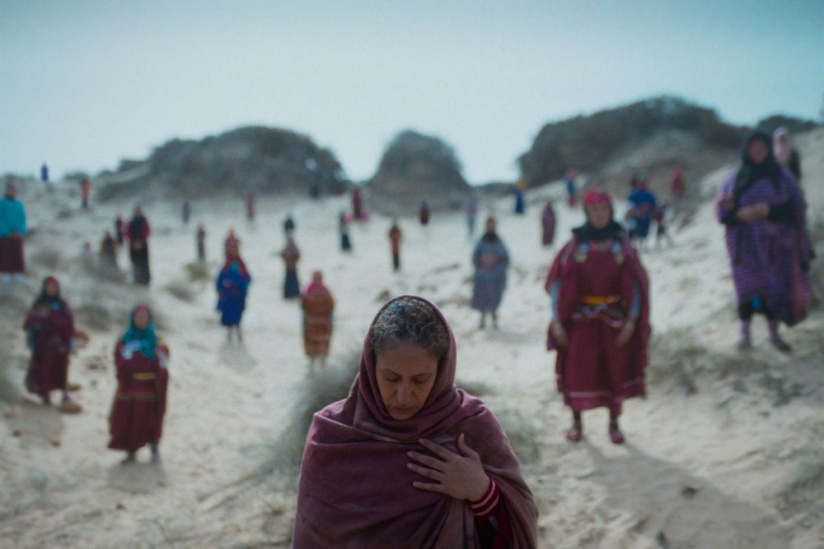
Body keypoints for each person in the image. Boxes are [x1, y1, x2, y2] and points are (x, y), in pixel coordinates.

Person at [292, 296, 538, 548]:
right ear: (370, 365)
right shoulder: (333, 436)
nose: (403, 396)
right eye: (390, 377)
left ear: (443, 371)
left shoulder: (471, 426)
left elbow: (520, 530)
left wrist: (482, 492)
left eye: (420, 380)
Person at [546, 189, 650, 444]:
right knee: (577, 371)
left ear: (611, 211)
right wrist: (557, 321)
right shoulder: (574, 246)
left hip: (615, 321)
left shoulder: (622, 246)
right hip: (580, 322)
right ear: (586, 213)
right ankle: (577, 424)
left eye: (603, 209)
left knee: (613, 370)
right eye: (593, 210)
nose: (598, 214)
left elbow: (637, 286)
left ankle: (614, 425)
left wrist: (632, 322)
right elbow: (557, 284)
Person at [715, 132, 814, 352]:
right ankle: (744, 335)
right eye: (753, 148)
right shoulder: (735, 178)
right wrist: (740, 214)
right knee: (745, 289)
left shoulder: (781, 176)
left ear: (769, 149)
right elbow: (722, 209)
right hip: (743, 247)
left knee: (774, 288)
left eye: (762, 148)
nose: (757, 152)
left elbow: (797, 207)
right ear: (746, 150)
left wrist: (769, 210)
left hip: (776, 245)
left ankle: (773, 335)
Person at [108, 305, 169, 463]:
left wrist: (159, 356)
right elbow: (119, 358)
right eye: (138, 317)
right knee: (129, 418)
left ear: (149, 319)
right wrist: (126, 361)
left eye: (144, 317)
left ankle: (154, 445)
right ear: (133, 319)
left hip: (149, 387)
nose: (141, 320)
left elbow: (162, 362)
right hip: (130, 386)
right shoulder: (126, 339)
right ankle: (131, 450)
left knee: (150, 418)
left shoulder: (156, 340)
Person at [23, 277, 82, 412]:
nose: (52, 289)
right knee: (44, 368)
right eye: (50, 286)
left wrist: (70, 341)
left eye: (55, 286)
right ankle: (45, 394)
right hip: (43, 344)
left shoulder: (62, 304)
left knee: (62, 368)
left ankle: (64, 393)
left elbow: (69, 322)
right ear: (45, 288)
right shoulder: (39, 304)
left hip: (60, 343)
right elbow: (31, 322)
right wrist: (32, 338)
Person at [471, 217, 509, 329]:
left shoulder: (498, 241)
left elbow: (505, 258)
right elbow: (475, 257)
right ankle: (482, 319)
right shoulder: (481, 241)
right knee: (482, 298)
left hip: (495, 276)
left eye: (492, 225)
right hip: (483, 276)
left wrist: (495, 259)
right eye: (489, 224)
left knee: (494, 298)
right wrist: (483, 261)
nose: (491, 227)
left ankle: (494, 318)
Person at [300, 271, 334, 366]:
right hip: (312, 324)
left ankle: (323, 359)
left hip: (323, 324)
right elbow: (304, 306)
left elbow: (330, 306)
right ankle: (312, 359)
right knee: (312, 342)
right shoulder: (308, 290)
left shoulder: (325, 290)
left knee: (322, 341)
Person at [216, 260, 251, 342]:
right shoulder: (227, 273)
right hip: (231, 301)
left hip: (235, 301)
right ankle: (233, 335)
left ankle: (234, 334)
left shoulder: (238, 273)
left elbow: (245, 283)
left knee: (234, 319)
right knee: (232, 319)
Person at [0, 181, 27, 282]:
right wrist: (7, 232)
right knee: (6, 254)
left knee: (17, 254)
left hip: (18, 235)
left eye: (14, 189)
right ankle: (6, 273)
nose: (12, 191)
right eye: (10, 189)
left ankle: (17, 273)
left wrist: (20, 231)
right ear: (6, 191)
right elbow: (1, 219)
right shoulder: (2, 203)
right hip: (5, 234)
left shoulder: (19, 204)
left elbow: (22, 218)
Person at [627, 179, 657, 248]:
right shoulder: (634, 193)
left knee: (645, 230)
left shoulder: (648, 193)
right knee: (635, 230)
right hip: (637, 215)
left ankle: (643, 243)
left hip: (646, 215)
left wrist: (651, 209)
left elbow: (653, 202)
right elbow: (630, 203)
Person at [125, 206, 151, 285]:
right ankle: (136, 278)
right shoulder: (131, 222)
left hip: (143, 244)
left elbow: (147, 232)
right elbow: (127, 232)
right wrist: (134, 241)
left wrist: (141, 241)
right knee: (135, 263)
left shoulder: (144, 221)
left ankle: (145, 279)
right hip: (133, 244)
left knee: (144, 262)